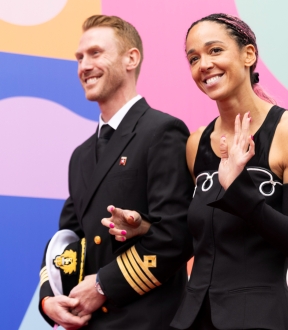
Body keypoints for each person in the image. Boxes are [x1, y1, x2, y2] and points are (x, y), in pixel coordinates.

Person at [105, 13, 288, 330]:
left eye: (215, 50)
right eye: (193, 58)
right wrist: (144, 227)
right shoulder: (196, 143)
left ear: (248, 54)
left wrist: (237, 188)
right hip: (193, 317)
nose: (203, 64)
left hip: (261, 318)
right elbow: (201, 235)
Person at [38, 15, 194, 330]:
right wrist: (48, 296)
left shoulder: (162, 131)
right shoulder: (81, 156)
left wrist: (102, 285)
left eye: (96, 53)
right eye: (79, 58)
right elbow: (69, 238)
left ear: (130, 59)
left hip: (149, 321)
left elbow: (175, 236)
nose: (83, 66)